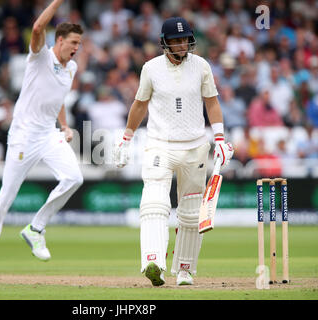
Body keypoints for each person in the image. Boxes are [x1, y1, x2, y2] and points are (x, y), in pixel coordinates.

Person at [114, 17, 234, 286]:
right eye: (176, 40)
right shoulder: (151, 68)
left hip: (195, 147)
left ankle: (185, 269)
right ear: (164, 42)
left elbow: (212, 103)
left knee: (191, 213)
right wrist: (125, 138)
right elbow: (139, 105)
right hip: (160, 144)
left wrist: (220, 139)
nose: (181, 44)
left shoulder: (201, 66)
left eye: (184, 39)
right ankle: (153, 261)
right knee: (154, 204)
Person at [0, 0, 84, 273]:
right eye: (72, 43)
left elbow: (57, 100)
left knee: (74, 177)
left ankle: (36, 228)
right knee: (6, 197)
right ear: (58, 41)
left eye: (79, 44)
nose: (76, 48)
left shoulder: (71, 68)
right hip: (23, 135)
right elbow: (36, 27)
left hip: (48, 134)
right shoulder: (40, 56)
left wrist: (65, 127)